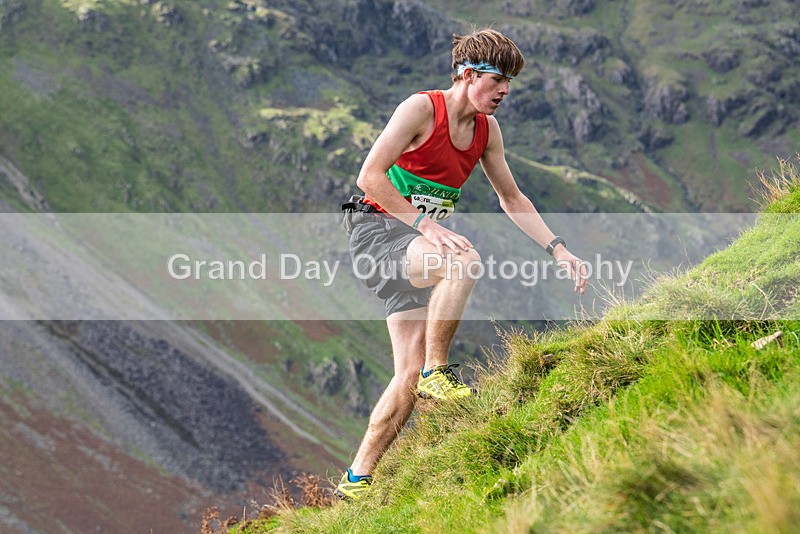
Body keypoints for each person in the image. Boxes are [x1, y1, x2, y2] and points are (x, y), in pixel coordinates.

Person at [336, 28, 588, 500]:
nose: (505, 90)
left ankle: (357, 480)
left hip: (415, 249)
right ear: (469, 75)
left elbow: (511, 198)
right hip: (377, 234)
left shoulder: (487, 132)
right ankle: (438, 371)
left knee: (406, 375)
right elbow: (369, 176)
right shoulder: (420, 109)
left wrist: (558, 248)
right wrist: (425, 226)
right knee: (463, 260)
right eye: (498, 80)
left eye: (510, 82)